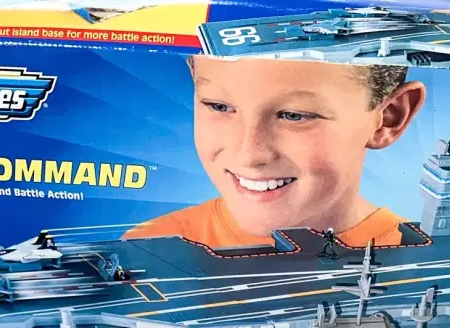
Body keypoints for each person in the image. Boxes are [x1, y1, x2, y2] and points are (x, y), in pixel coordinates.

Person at [124, 56, 426, 249]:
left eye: (294, 115)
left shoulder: (417, 261)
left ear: (388, 118)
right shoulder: (149, 244)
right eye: (219, 106)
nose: (249, 155)